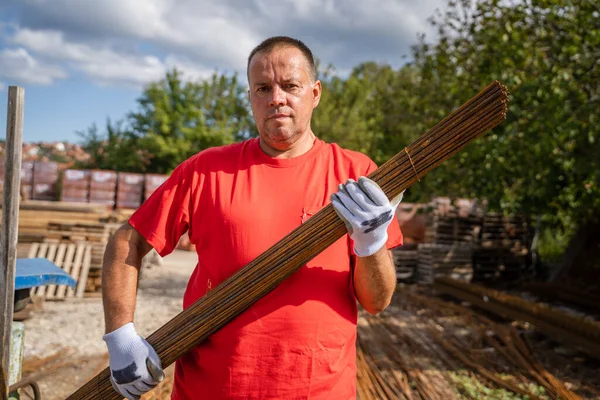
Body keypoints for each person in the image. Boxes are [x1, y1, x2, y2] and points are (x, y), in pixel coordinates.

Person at [101, 36, 403, 400]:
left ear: (315, 93)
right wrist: (120, 337)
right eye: (263, 88)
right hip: (213, 389)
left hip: (319, 389)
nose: (277, 98)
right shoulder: (206, 171)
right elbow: (127, 241)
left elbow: (377, 301)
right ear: (250, 98)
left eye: (290, 86)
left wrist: (371, 242)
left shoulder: (356, 176)